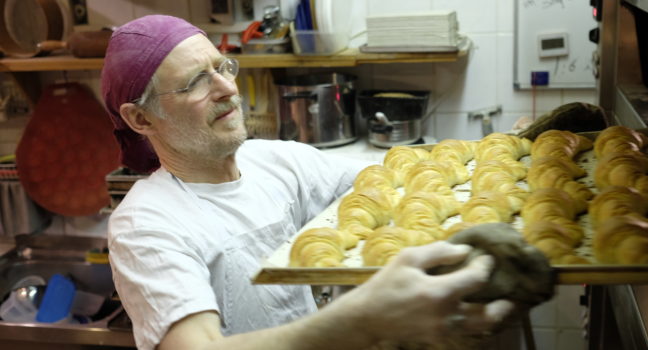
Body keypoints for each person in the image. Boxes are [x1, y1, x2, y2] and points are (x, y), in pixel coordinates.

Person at [102, 15, 515, 350]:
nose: (228, 88)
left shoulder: (273, 161)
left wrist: (513, 151)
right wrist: (362, 321)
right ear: (141, 118)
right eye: (197, 81)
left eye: (222, 67)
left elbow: (404, 177)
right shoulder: (146, 224)